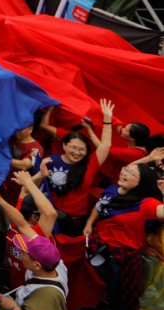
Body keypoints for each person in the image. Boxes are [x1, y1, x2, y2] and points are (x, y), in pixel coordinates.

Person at [82, 162, 164, 310]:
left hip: (121, 262)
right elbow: (99, 206)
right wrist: (89, 224)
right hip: (102, 252)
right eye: (125, 168)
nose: (124, 172)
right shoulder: (113, 190)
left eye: (130, 172)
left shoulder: (146, 203)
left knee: (121, 305)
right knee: (109, 296)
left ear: (142, 182)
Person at [35, 99, 115, 236]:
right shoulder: (51, 161)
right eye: (73, 147)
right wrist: (40, 172)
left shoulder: (90, 164)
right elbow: (37, 185)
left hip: (74, 220)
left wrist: (107, 119)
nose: (77, 153)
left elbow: (105, 146)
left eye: (82, 150)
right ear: (64, 145)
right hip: (50, 213)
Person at [0, 234, 70, 310]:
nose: (20, 254)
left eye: (23, 253)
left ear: (36, 265)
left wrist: (13, 308)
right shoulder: (56, 264)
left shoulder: (48, 297)